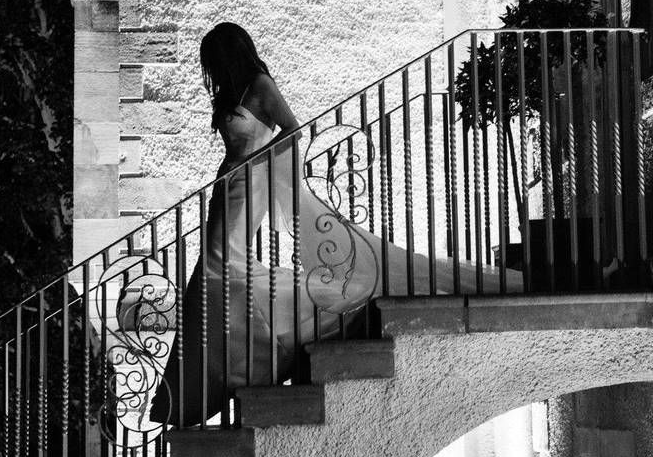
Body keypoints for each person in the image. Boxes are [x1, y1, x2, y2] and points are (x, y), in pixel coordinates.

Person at [149, 22, 513, 428]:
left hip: (247, 185)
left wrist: (260, 162)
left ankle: (218, 376)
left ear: (230, 52)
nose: (211, 69)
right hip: (226, 186)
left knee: (218, 269)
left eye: (214, 59)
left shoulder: (259, 85)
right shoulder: (232, 90)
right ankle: (218, 372)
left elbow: (293, 129)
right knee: (218, 270)